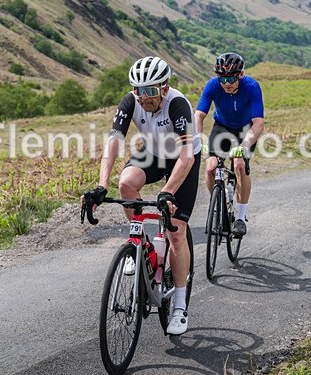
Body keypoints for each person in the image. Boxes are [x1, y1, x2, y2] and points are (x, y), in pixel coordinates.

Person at [83, 56, 201, 335]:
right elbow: (113, 144)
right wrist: (102, 185)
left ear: (164, 87)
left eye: (149, 91)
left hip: (182, 159)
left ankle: (181, 307)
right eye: (138, 90)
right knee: (126, 185)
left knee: (175, 233)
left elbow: (186, 158)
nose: (143, 97)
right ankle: (141, 247)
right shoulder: (130, 102)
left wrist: (167, 192)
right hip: (153, 152)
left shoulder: (178, 104)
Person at [195, 52, 264, 238]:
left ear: (240, 75)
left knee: (239, 164)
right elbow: (199, 115)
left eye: (232, 78)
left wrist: (244, 145)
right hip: (222, 127)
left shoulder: (251, 87)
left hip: (245, 129)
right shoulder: (212, 86)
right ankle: (219, 205)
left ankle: (240, 217)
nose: (227, 83)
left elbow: (258, 123)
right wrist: (199, 138)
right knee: (210, 168)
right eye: (223, 78)